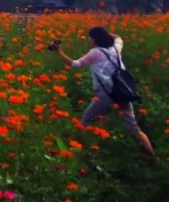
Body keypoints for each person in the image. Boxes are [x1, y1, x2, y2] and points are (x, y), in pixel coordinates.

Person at [49, 26, 156, 162]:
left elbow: (75, 65)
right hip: (122, 91)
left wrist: (58, 52)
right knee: (133, 127)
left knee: (85, 120)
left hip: (106, 93)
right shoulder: (115, 48)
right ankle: (153, 158)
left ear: (94, 39)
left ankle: (73, 154)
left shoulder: (95, 52)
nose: (88, 39)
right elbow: (118, 38)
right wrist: (105, 33)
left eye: (90, 37)